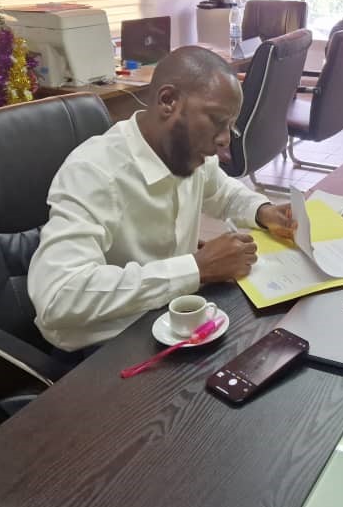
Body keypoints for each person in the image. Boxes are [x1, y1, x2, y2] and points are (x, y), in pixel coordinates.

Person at [27, 47, 296, 352]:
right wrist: (197, 267)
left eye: (229, 126)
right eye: (216, 120)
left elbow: (222, 191)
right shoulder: (94, 172)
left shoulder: (188, 151)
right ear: (168, 101)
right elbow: (59, 295)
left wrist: (264, 211)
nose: (224, 140)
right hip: (104, 348)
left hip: (172, 321)